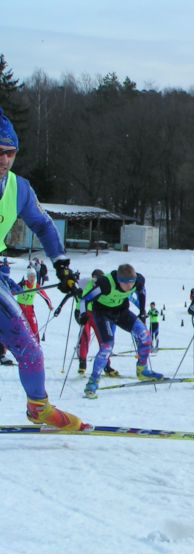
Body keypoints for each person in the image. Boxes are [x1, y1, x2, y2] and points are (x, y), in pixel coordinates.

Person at [0, 107, 86, 429]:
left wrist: (61, 265)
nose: (4, 159)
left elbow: (45, 225)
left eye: (10, 152)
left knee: (29, 347)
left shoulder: (19, 189)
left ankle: (38, 407)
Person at [78, 263, 163, 398]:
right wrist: (82, 314)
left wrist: (142, 310)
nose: (129, 286)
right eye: (125, 283)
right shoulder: (105, 284)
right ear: (118, 280)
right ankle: (92, 382)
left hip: (121, 311)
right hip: (103, 313)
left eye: (131, 282)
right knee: (107, 347)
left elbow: (142, 292)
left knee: (145, 336)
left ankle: (142, 370)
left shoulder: (138, 281)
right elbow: (85, 299)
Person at [76, 269, 119, 377]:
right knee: (85, 337)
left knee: (103, 340)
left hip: (98, 314)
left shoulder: (103, 285)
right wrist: (80, 312)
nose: (96, 280)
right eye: (95, 278)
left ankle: (106, 366)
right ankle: (82, 363)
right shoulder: (89, 284)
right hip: (87, 314)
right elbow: (83, 298)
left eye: (99, 278)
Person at [16, 267, 53, 340]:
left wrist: (49, 304)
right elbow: (12, 291)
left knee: (34, 327)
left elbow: (44, 295)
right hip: (20, 308)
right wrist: (19, 285)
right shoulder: (22, 284)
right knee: (20, 327)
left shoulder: (36, 286)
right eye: (30, 276)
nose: (32, 278)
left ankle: (36, 343)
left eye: (34, 276)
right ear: (27, 277)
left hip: (30, 309)